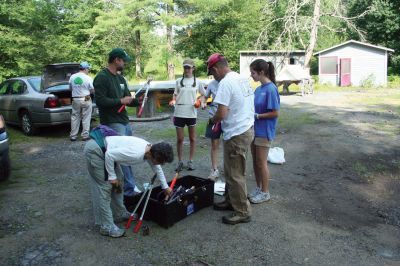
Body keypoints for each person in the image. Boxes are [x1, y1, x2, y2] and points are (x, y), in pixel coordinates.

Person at [84, 135, 174, 237]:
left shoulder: (151, 149)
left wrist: (165, 187)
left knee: (120, 180)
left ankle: (119, 212)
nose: (162, 164)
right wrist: (112, 176)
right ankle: (106, 226)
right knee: (105, 187)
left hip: (109, 151)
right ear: (151, 155)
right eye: (161, 162)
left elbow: (157, 168)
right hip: (96, 150)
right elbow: (109, 155)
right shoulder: (136, 153)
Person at [207, 53, 255, 225]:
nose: (214, 77)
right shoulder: (241, 78)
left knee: (235, 174)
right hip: (245, 128)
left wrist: (212, 121)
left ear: (216, 69)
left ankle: (242, 211)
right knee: (231, 170)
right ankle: (231, 200)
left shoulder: (226, 83)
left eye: (212, 73)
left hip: (237, 133)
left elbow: (221, 113)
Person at [93, 48, 140, 197]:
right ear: (116, 60)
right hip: (112, 123)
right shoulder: (101, 77)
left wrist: (137, 101)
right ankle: (128, 189)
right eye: (123, 60)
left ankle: (129, 185)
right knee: (122, 155)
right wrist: (120, 100)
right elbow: (100, 101)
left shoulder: (120, 79)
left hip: (124, 121)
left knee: (128, 154)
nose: (125, 63)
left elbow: (128, 99)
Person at [248, 59, 280, 204]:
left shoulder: (271, 89)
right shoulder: (258, 89)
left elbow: (275, 113)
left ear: (261, 73)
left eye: (253, 73)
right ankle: (259, 188)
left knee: (262, 162)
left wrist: (257, 116)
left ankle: (265, 192)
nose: (251, 75)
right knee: (255, 162)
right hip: (254, 131)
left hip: (264, 131)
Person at [169, 59, 206, 172]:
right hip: (179, 112)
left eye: (189, 67)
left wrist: (201, 102)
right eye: (185, 67)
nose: (187, 69)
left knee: (192, 138)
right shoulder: (178, 81)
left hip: (191, 113)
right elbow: (175, 95)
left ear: (193, 68)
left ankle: (190, 161)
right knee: (180, 139)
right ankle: (180, 161)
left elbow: (204, 95)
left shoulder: (198, 82)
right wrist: (173, 101)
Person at [69, 61, 94, 141]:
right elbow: (93, 90)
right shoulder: (88, 78)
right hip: (86, 97)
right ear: (85, 69)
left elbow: (70, 88)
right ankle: (85, 136)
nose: (88, 70)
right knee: (86, 117)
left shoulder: (72, 77)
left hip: (75, 98)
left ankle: (73, 136)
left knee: (75, 117)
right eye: (88, 69)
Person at [204, 80, 222, 181]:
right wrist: (203, 102)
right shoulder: (211, 84)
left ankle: (232, 169)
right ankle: (215, 169)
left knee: (229, 144)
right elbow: (205, 97)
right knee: (214, 144)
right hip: (213, 117)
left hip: (227, 117)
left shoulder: (228, 81)